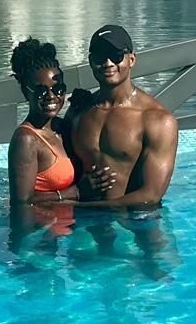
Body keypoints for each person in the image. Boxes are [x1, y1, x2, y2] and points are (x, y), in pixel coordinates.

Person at [67, 23, 178, 208]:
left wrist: (79, 207)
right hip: (84, 222)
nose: (108, 63)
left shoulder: (156, 120)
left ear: (131, 60)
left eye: (117, 55)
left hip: (135, 220)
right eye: (100, 56)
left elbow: (151, 196)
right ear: (90, 61)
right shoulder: (79, 111)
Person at [6, 37, 79, 206]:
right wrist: (73, 192)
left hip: (72, 225)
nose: (51, 96)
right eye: (40, 91)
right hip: (44, 229)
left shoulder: (63, 127)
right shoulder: (26, 140)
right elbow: (21, 202)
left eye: (58, 89)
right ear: (26, 92)